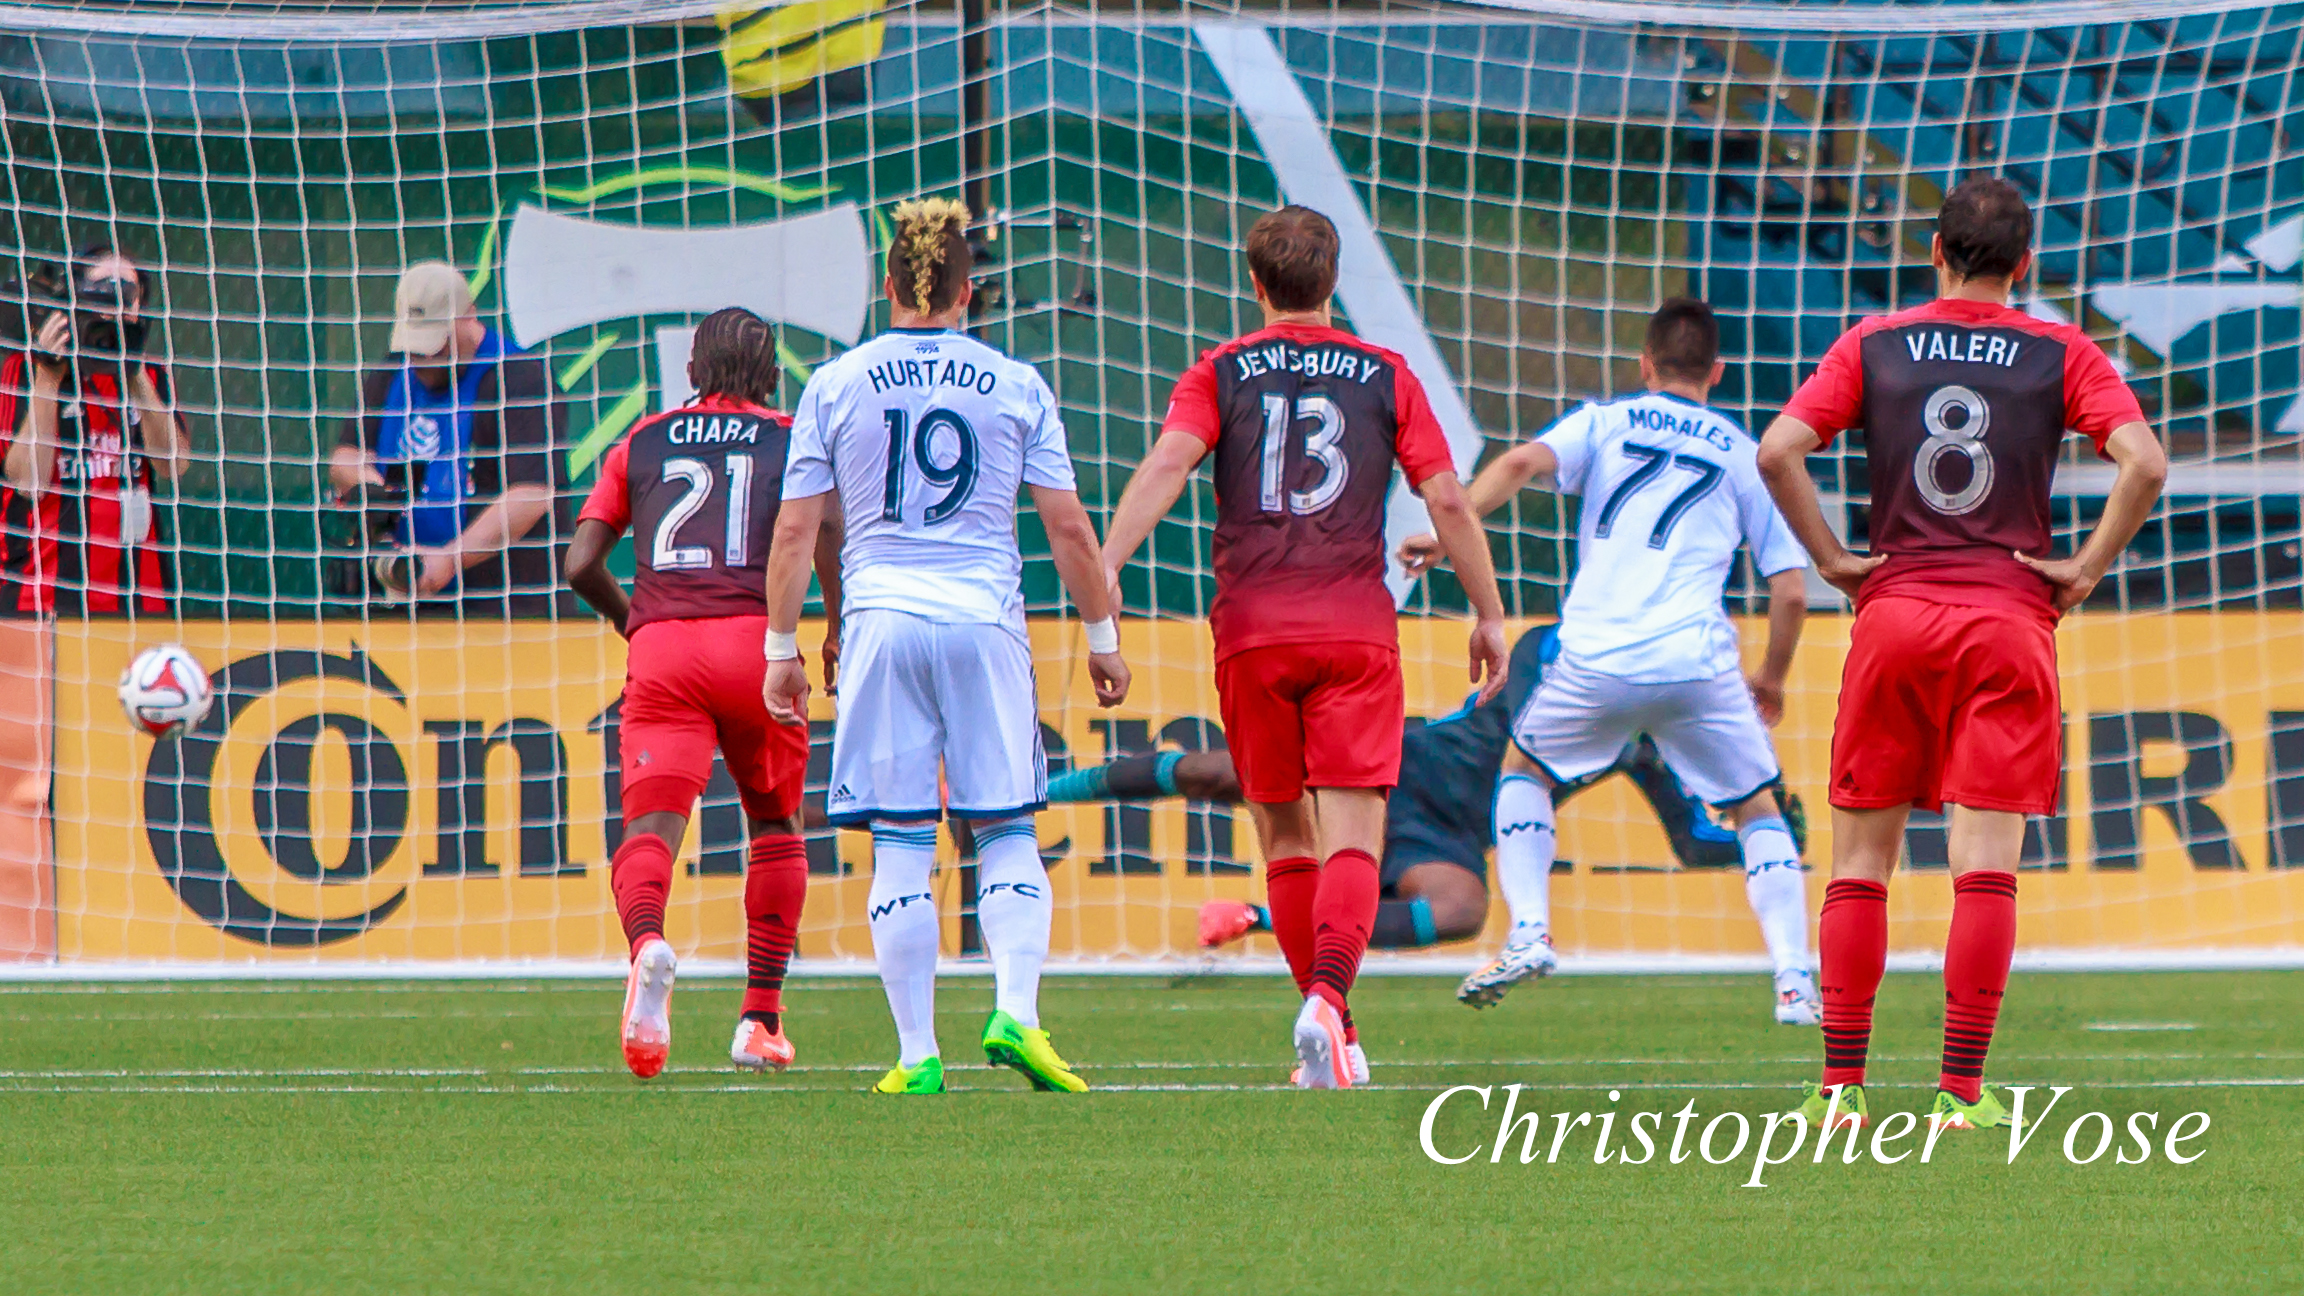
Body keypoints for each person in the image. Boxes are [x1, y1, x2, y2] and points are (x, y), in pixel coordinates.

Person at [1758, 178, 2166, 1132]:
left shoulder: (1874, 341)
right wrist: (2088, 568)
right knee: (1985, 867)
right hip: (2009, 615)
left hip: (1896, 611)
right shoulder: (2061, 348)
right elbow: (2145, 461)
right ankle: (1959, 1096)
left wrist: (1831, 562)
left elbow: (1779, 448)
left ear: (1933, 252)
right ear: (2026, 266)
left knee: (1861, 862)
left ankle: (1843, 1092)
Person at [1100, 204, 1509, 1090]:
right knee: (1356, 837)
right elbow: (1445, 499)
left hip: (1251, 631)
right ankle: (1328, 1001)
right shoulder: (1385, 374)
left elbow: (1167, 468)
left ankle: (1337, 1031)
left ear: (1257, 285)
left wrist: (1104, 570)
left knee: (1287, 836)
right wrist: (1487, 612)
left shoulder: (1219, 370)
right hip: (1353, 630)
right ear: (1332, 280)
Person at [761, 197, 1130, 1096]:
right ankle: (1017, 1013)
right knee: (1004, 825)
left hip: (881, 623)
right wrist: (1102, 635)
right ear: (971, 292)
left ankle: (916, 1053)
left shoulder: (835, 384)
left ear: (887, 285)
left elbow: (796, 532)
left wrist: (782, 646)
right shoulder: (1016, 383)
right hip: (981, 621)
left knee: (897, 838)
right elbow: (1070, 532)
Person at [1401, 298, 1817, 1023]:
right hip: (1696, 663)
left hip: (1596, 655)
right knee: (1757, 809)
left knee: (1523, 774)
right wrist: (1771, 680)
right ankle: (1793, 980)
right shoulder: (1742, 455)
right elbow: (1789, 594)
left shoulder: (1605, 420)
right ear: (1717, 372)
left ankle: (1529, 930)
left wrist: (1450, 529)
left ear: (1645, 364)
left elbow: (1524, 462)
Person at [1046, 622, 1806, 956]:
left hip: (1440, 833)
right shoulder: (1562, 653)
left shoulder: (1649, 749)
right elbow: (1536, 710)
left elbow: (1691, 840)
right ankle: (1049, 789)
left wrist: (1766, 834)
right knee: (1223, 773)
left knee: (1462, 910)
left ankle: (1260, 918)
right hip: (1393, 757)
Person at [564, 307, 841, 1079]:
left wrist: (636, 623)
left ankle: (648, 942)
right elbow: (824, 533)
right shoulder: (793, 436)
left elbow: (581, 561)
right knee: (778, 825)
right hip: (758, 642)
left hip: (666, 647)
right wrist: (835, 629)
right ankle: (760, 1018)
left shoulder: (641, 439)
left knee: (650, 828)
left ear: (691, 373)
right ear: (770, 375)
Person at [332, 261, 570, 617]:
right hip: (406, 600)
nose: (423, 361)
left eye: (435, 348)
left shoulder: (520, 378)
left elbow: (531, 495)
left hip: (503, 607)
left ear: (468, 317)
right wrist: (371, 489)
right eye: (415, 350)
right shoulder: (394, 371)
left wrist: (450, 559)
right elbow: (346, 455)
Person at [0, 243, 190, 615]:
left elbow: (173, 465)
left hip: (138, 599)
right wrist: (48, 377)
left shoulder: (150, 373)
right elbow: (28, 482)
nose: (118, 304)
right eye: (105, 290)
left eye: (130, 294)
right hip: (43, 598)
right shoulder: (24, 370)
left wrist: (134, 374)